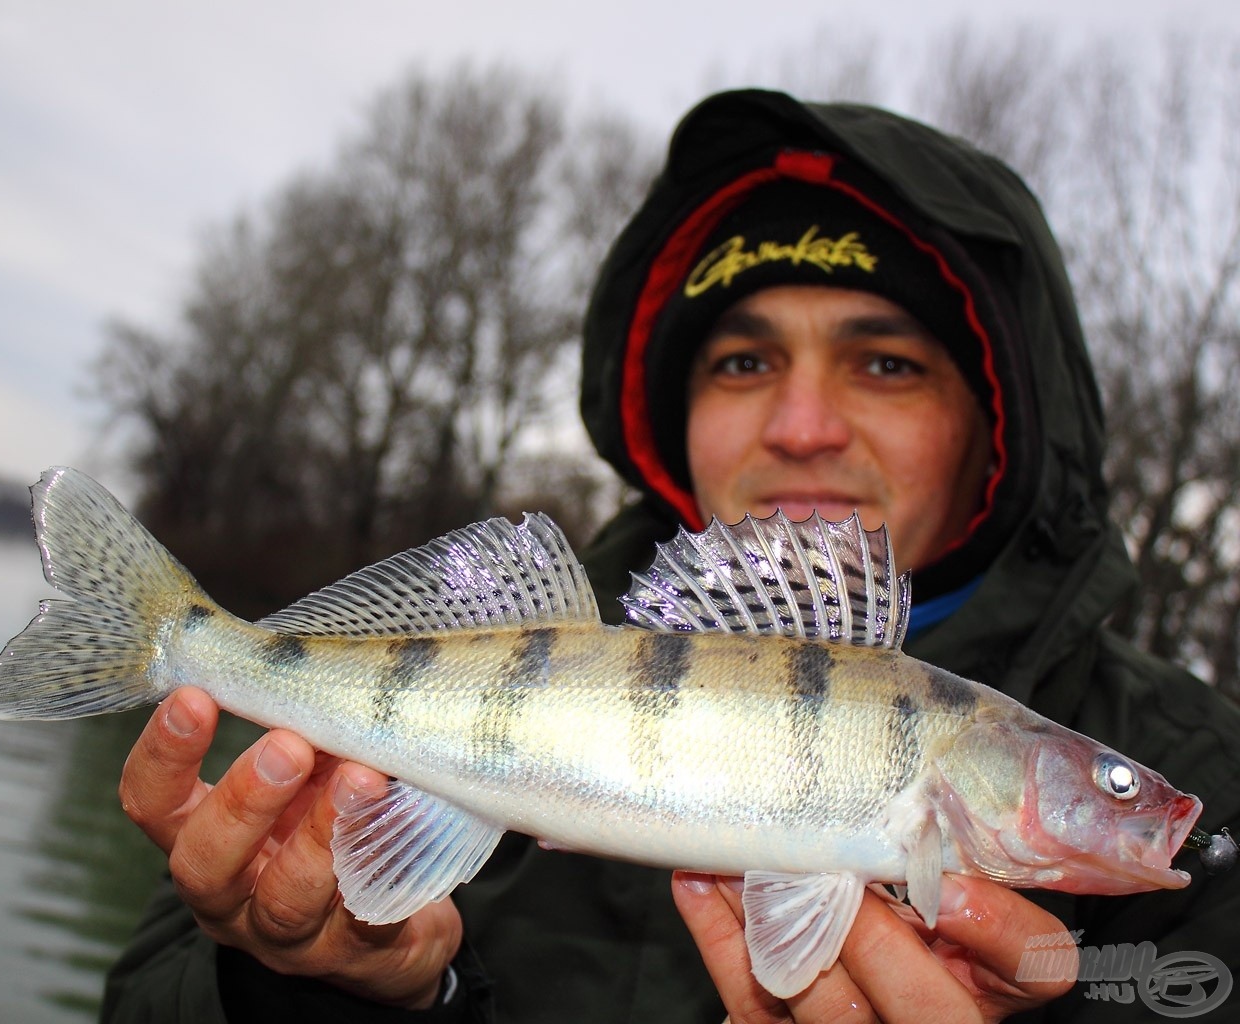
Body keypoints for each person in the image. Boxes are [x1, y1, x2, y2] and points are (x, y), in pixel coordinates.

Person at [101, 89, 1240, 1023]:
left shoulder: (1216, 782)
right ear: (672, 405)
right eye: (742, 361)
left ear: (1000, 419)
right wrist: (326, 986)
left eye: (883, 362)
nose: (801, 424)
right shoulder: (536, 623)